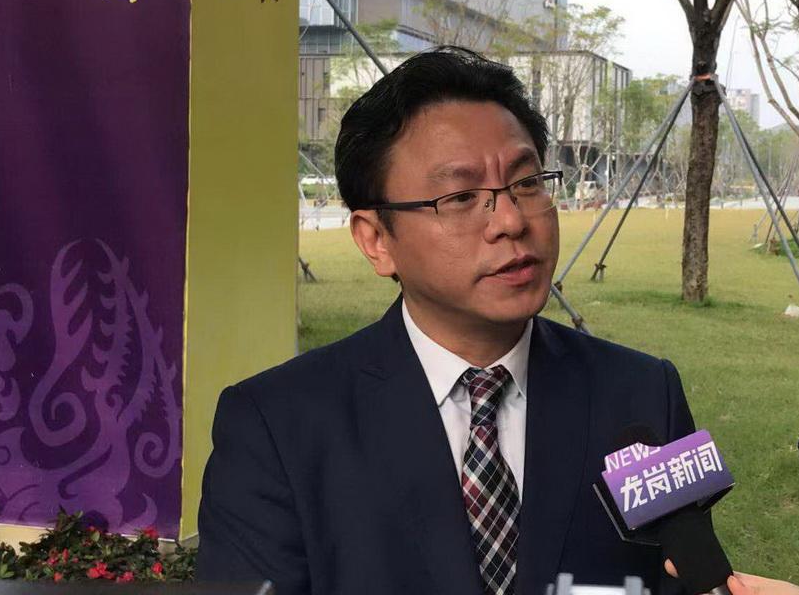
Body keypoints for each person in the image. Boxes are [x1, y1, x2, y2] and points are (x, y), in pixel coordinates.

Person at [195, 47, 698, 595]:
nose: (511, 220)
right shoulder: (275, 428)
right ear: (376, 239)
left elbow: (689, 576)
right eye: (460, 196)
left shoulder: (645, 397)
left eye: (527, 183)